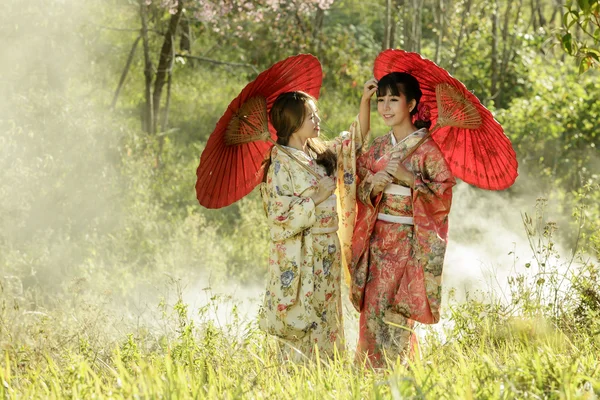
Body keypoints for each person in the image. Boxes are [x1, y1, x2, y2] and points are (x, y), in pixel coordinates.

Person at [350, 72, 456, 368]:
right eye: (381, 100)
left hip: (408, 244)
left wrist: (409, 178)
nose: (385, 107)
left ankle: (398, 378)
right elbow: (358, 180)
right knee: (371, 311)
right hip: (377, 241)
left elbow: (442, 195)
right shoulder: (380, 146)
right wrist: (376, 183)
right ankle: (367, 377)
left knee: (396, 314)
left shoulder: (427, 149)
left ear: (410, 104)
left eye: (393, 99)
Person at [258, 91, 364, 361]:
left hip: (327, 249)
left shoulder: (315, 152)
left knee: (328, 315)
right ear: (293, 123)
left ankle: (327, 372)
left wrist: (364, 100)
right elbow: (278, 217)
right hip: (304, 254)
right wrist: (316, 197)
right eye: (310, 116)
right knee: (305, 317)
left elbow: (352, 142)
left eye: (316, 113)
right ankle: (298, 378)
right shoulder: (281, 163)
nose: (318, 119)